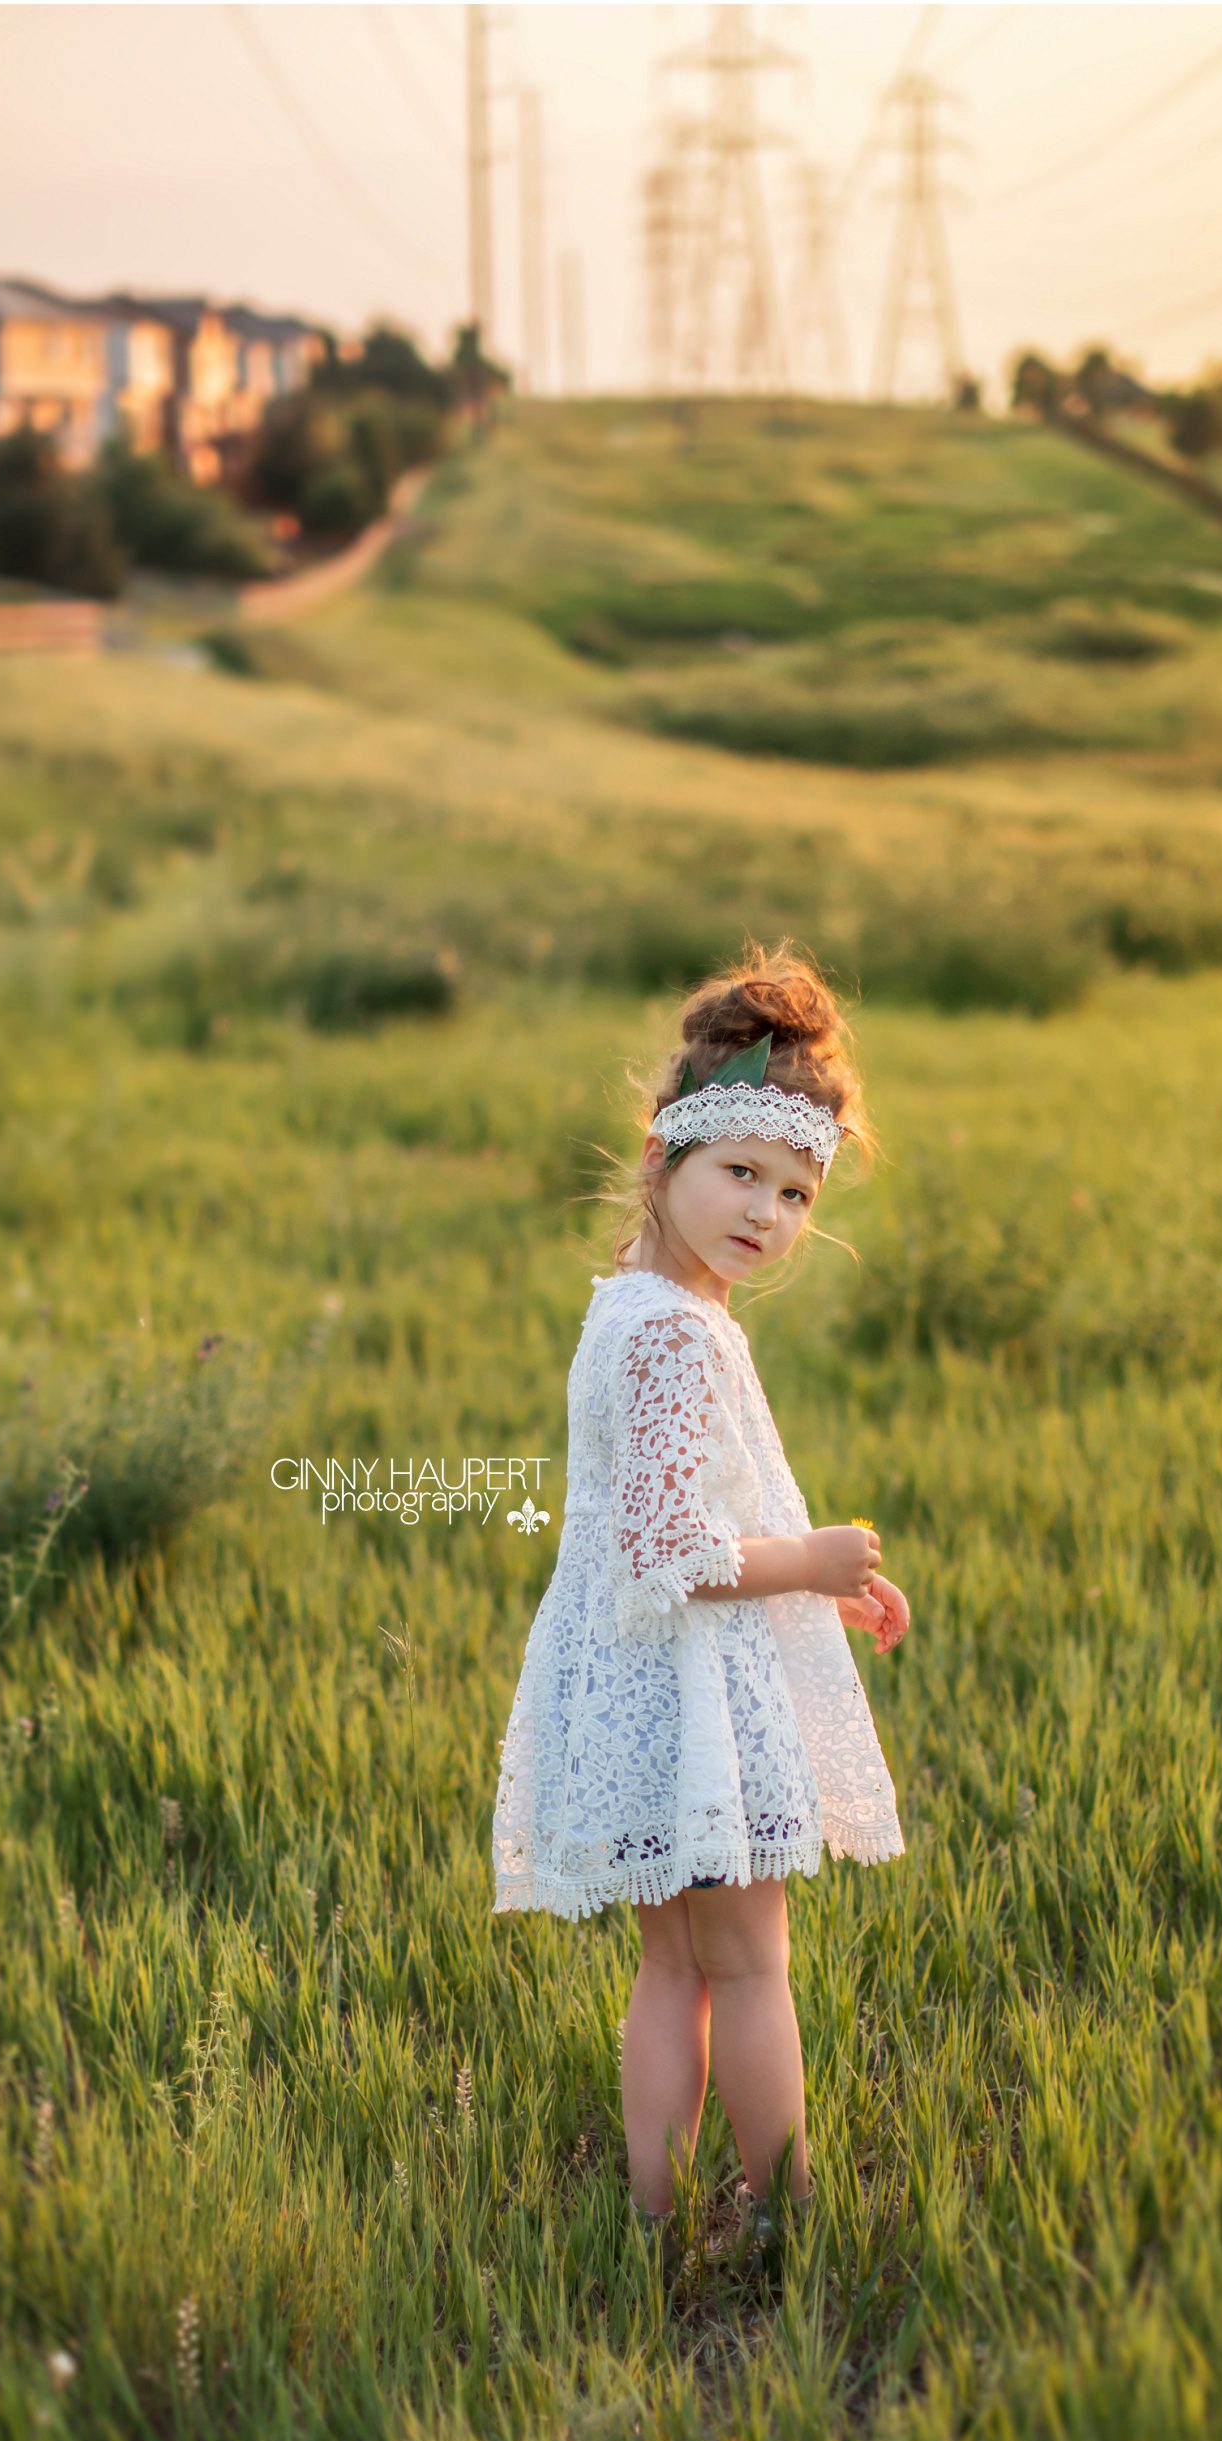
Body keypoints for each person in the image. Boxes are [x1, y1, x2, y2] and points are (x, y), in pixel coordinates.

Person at [489, 945, 909, 2277]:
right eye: (742, 1174)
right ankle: (779, 2222)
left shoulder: (637, 1299)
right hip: (691, 1696)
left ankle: (658, 2221)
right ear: (665, 1153)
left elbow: (670, 1517)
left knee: (673, 1969)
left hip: (649, 1676)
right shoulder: (675, 1331)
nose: (769, 1213)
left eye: (797, 1192)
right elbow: (679, 1545)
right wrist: (817, 1559)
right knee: (749, 1970)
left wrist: (809, 1584)